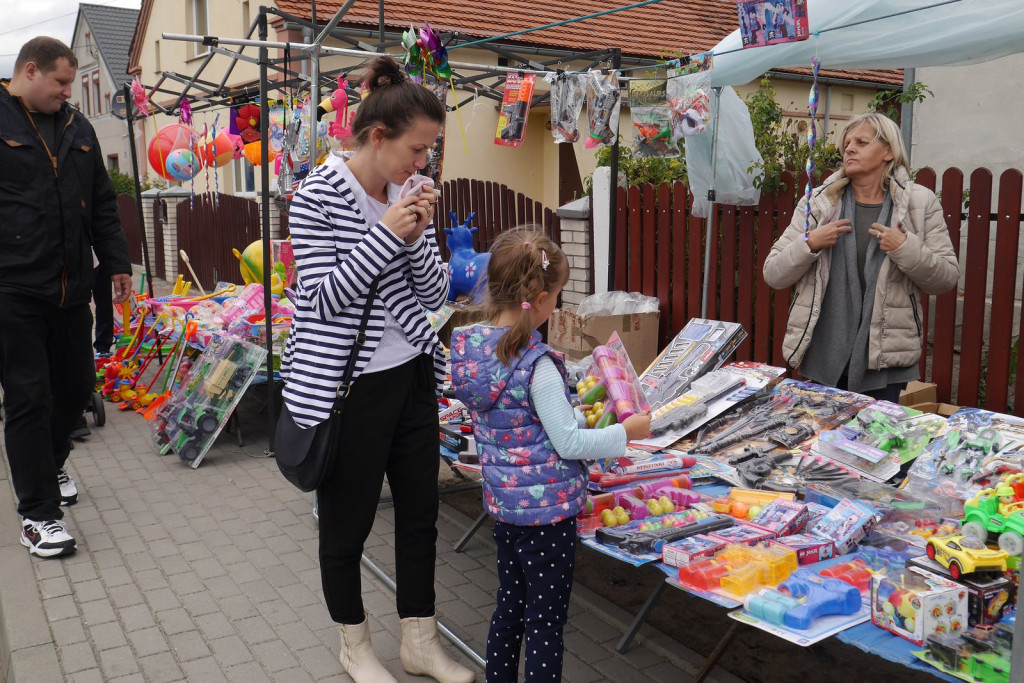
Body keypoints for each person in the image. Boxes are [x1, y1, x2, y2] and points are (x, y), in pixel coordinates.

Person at [281, 56, 473, 683]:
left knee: (420, 513)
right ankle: (355, 645)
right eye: (417, 150)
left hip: (412, 370)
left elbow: (428, 293)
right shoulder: (315, 197)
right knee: (348, 522)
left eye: (430, 153)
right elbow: (320, 300)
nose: (422, 165)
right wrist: (388, 235)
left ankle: (419, 640)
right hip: (349, 385)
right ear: (377, 136)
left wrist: (417, 238)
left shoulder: (406, 195)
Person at [450, 230, 651, 682]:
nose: (557, 308)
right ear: (538, 300)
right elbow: (569, 444)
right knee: (544, 624)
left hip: (505, 509)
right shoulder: (535, 363)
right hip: (546, 518)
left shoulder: (475, 354)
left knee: (509, 610)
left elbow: (526, 428)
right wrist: (626, 433)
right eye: (557, 298)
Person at [0, 37, 131, 558]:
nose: (66, 92)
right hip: (12, 287)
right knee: (28, 396)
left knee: (77, 387)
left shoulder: (77, 128)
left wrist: (117, 263)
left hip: (72, 286)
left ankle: (49, 463)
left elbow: (101, 199)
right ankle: (38, 515)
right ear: (30, 72)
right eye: (60, 82)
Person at [763, 112, 959, 403]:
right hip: (822, 355)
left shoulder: (919, 202)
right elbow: (774, 273)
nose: (849, 148)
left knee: (872, 446)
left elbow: (946, 277)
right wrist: (810, 243)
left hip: (884, 362)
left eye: (862, 142)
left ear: (888, 152)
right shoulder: (818, 202)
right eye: (847, 142)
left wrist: (904, 246)